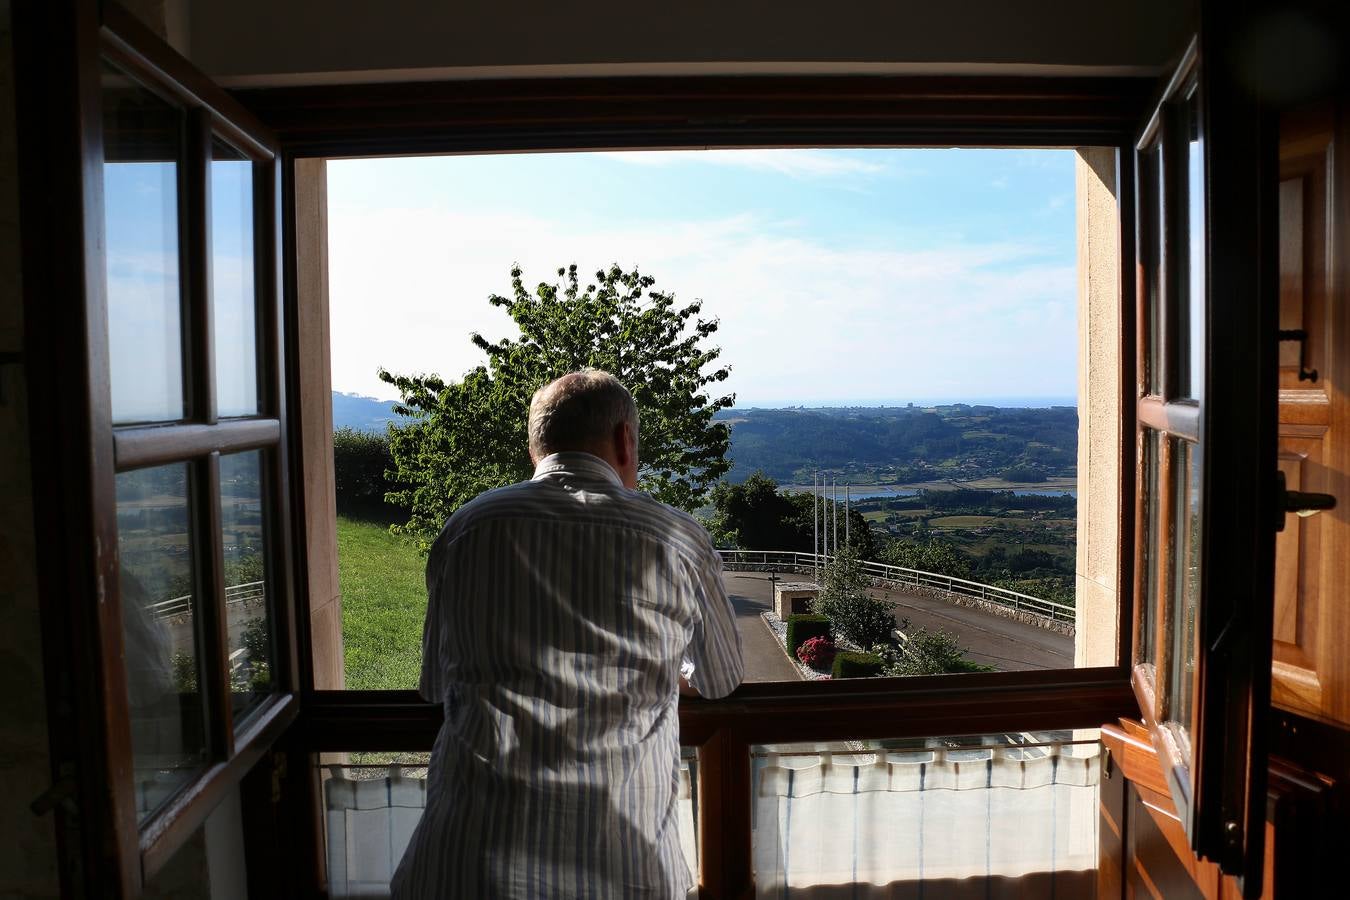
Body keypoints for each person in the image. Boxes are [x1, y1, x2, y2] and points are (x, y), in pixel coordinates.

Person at [391, 370, 744, 899]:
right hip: (623, 868)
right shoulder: (674, 536)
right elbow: (721, 681)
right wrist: (661, 666)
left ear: (536, 448)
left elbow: (435, 688)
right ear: (625, 440)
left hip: (464, 864)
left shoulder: (467, 528)